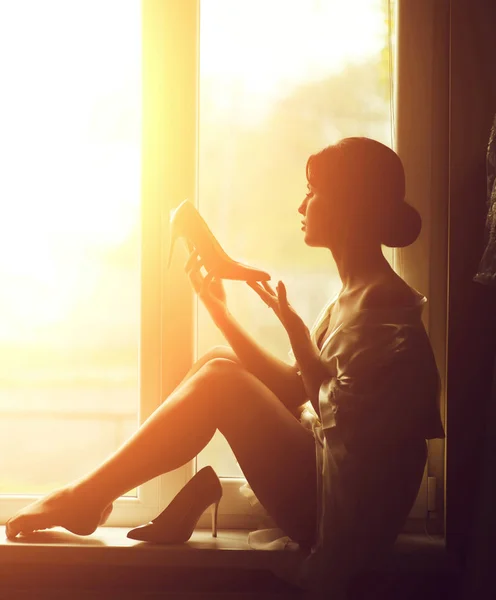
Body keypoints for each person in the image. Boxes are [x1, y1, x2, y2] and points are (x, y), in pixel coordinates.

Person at [5, 137, 445, 596]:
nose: (301, 204)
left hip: (344, 513)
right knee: (220, 360)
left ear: (348, 205)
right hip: (331, 484)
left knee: (222, 381)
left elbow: (337, 414)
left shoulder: (381, 303)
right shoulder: (356, 292)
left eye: (313, 191)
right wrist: (221, 314)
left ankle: (85, 497)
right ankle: (92, 495)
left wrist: (295, 333)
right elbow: (299, 389)